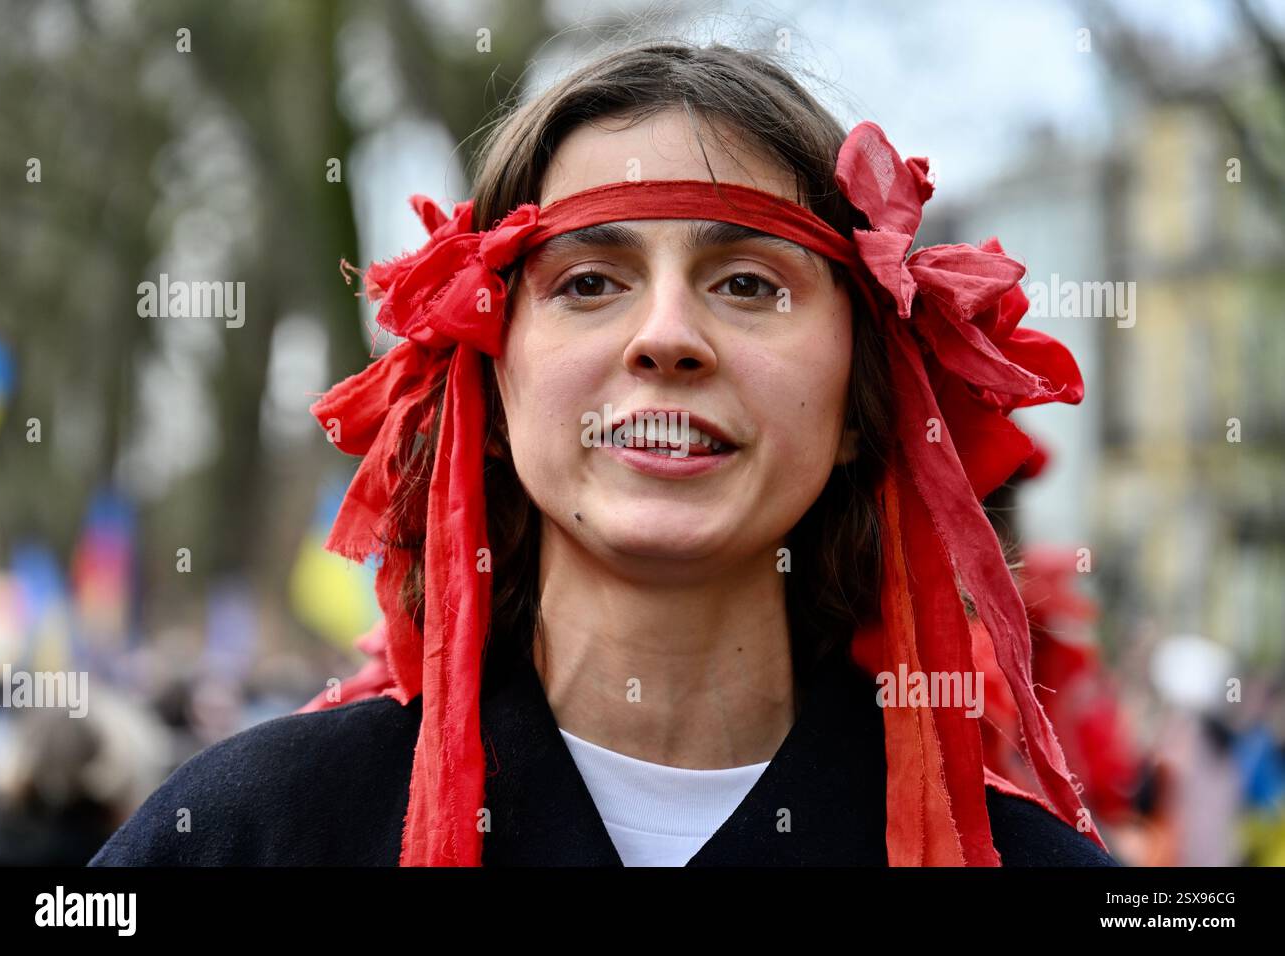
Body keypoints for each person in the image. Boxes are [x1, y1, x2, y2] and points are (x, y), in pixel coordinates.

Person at [90, 40, 1118, 867]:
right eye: (588, 281)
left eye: (749, 283)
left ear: (860, 396)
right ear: (488, 383)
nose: (663, 334)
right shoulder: (250, 834)